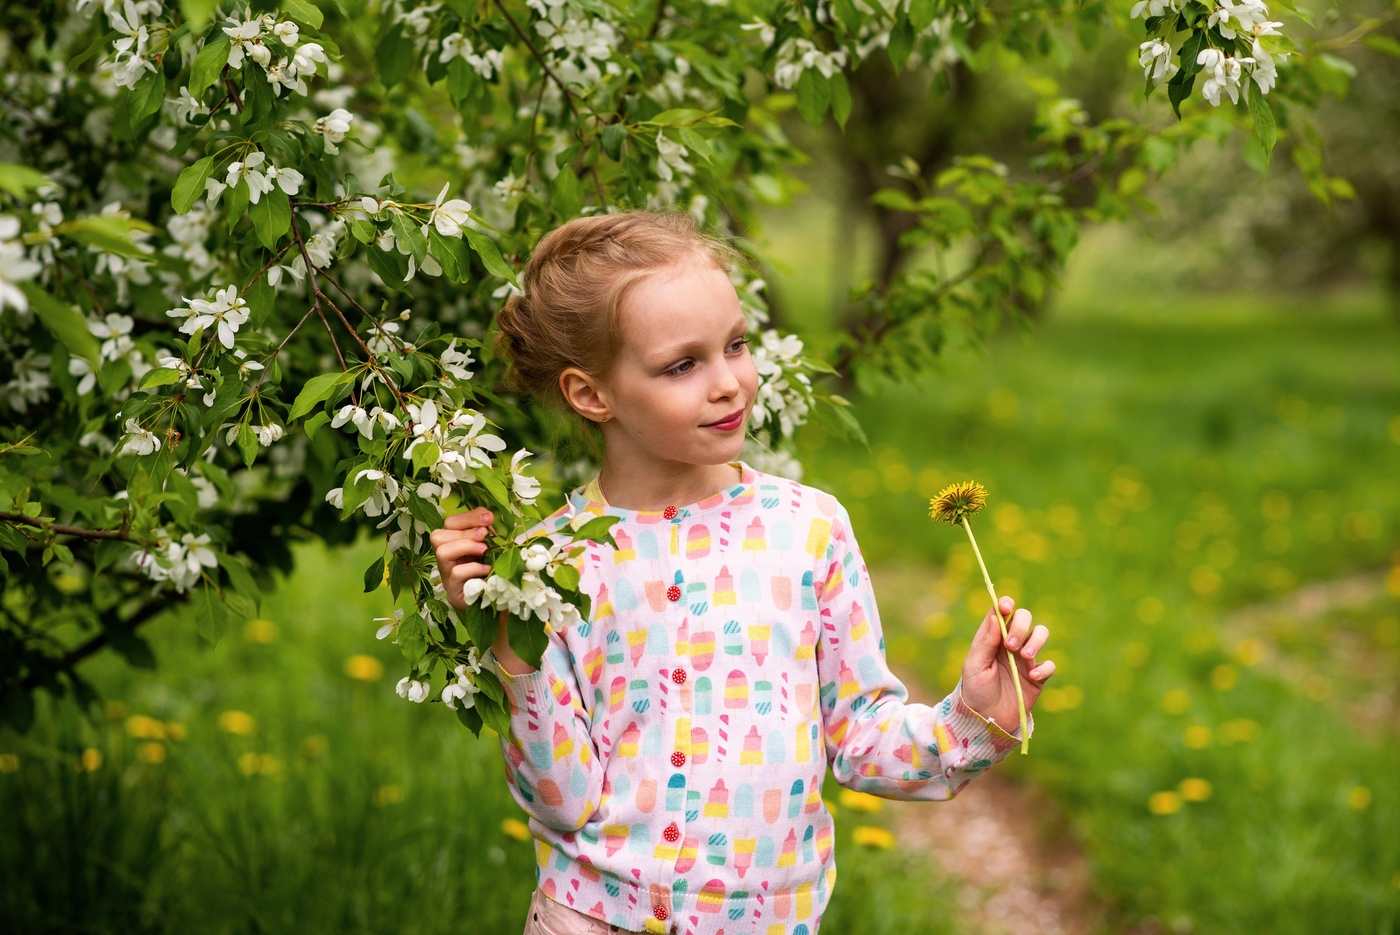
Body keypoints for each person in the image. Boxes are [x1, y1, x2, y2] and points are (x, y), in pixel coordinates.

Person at [430, 211, 1055, 935]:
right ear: (591, 394)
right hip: (593, 917)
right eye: (683, 364)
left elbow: (860, 741)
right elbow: (559, 799)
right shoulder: (552, 565)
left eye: (736, 345)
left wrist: (976, 718)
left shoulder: (807, 530)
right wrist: (507, 629)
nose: (730, 383)